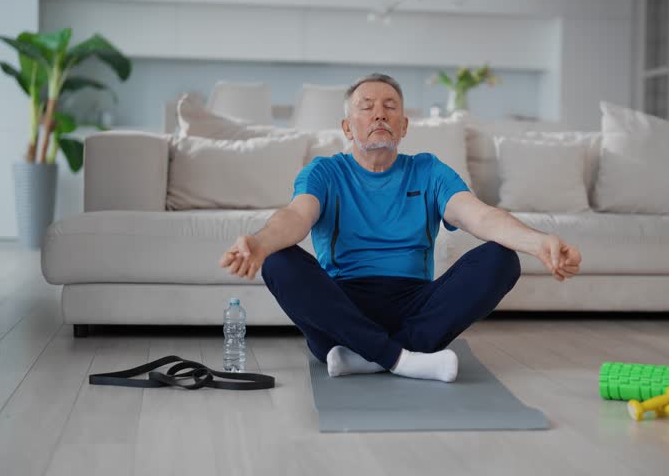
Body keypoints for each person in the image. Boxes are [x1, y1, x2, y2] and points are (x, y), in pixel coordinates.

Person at [219, 73, 581, 383]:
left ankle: (366, 356)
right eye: (366, 106)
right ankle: (402, 359)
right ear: (347, 127)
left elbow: (481, 217)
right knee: (279, 261)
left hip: (414, 305)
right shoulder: (324, 172)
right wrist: (260, 242)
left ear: (404, 126)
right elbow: (296, 217)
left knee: (502, 259)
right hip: (342, 308)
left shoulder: (428, 171)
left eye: (391, 106)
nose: (380, 113)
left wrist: (538, 242)